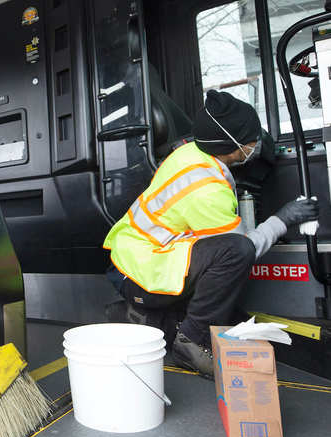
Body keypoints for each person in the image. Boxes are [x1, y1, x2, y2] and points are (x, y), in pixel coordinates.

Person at [103, 90, 319, 377]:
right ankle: (191, 341)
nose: (256, 145)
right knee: (235, 253)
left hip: (135, 260)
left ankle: (143, 317)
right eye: (252, 140)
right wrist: (282, 219)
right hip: (141, 272)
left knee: (227, 308)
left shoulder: (190, 152)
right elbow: (243, 248)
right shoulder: (206, 189)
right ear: (232, 146)